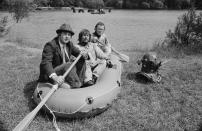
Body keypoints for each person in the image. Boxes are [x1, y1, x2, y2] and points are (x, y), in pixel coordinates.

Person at [38, 23, 88, 88]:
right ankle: (76, 86)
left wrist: (84, 55)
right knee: (68, 65)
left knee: (82, 60)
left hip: (64, 71)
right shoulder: (50, 45)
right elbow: (46, 63)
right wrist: (55, 77)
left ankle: (79, 83)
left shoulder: (69, 44)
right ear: (59, 34)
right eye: (65, 34)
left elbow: (78, 53)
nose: (67, 36)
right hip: (53, 73)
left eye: (69, 35)